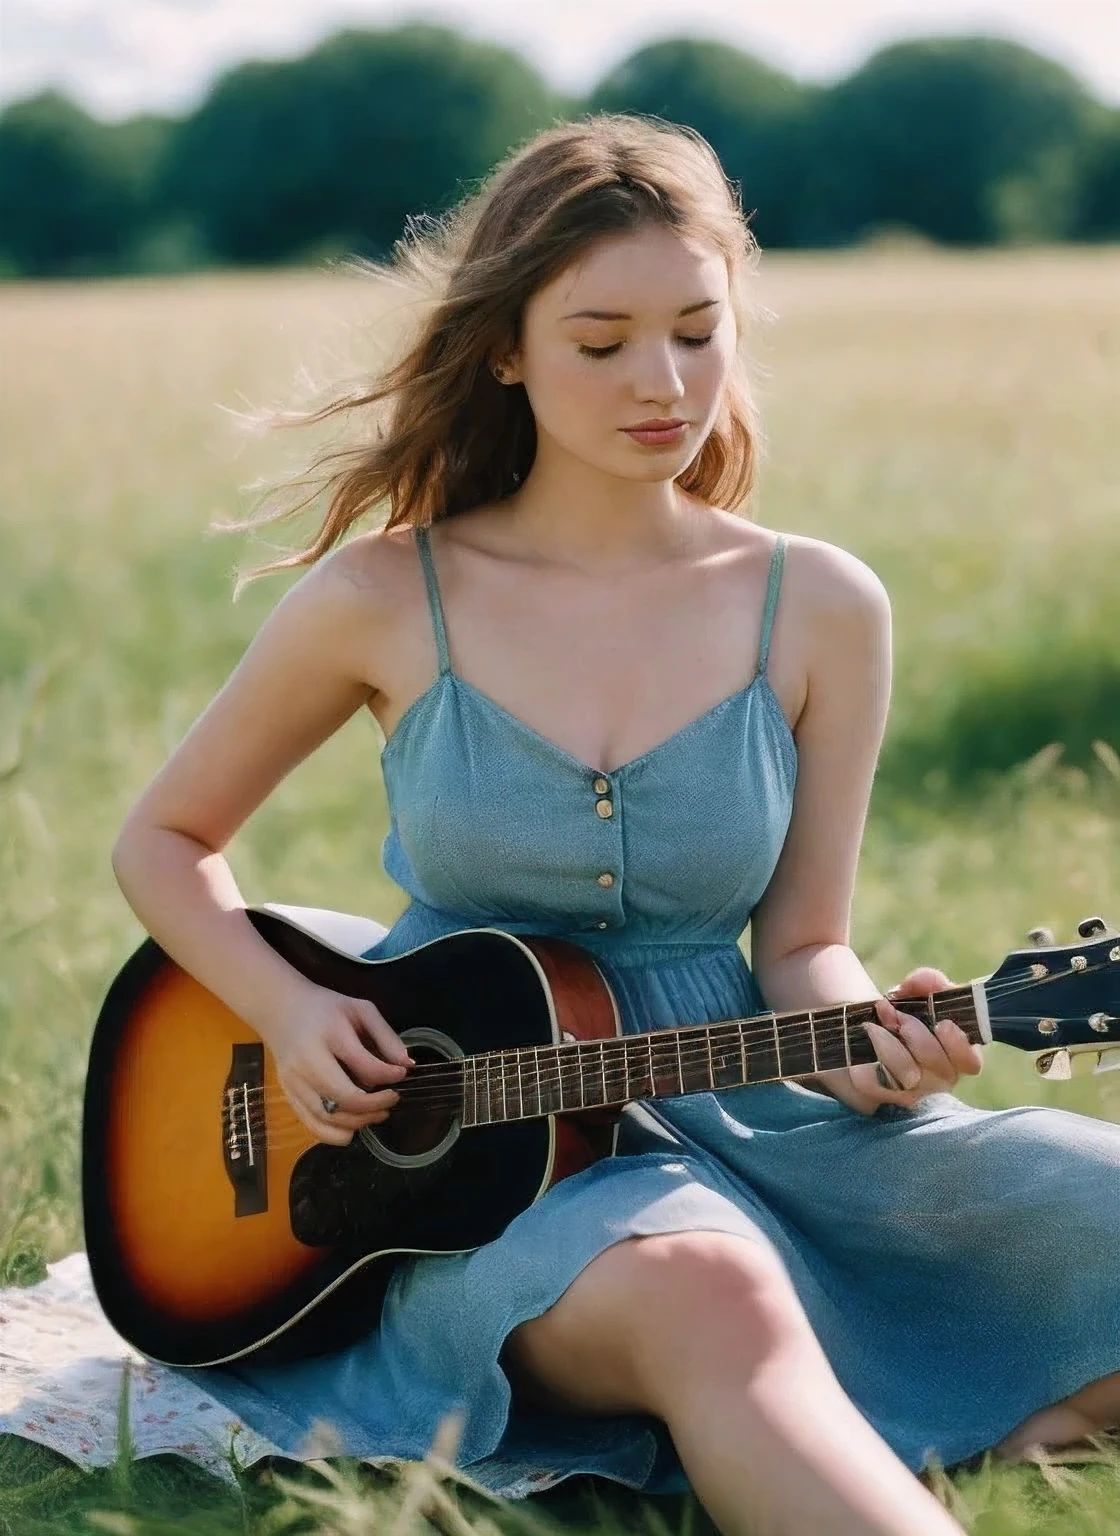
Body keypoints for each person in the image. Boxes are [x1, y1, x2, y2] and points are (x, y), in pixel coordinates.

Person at [109, 116, 1120, 1536]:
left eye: (699, 334)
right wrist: (282, 1010)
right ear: (507, 348)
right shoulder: (385, 599)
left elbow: (808, 948)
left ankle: (944, 1432)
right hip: (468, 1165)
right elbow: (162, 841)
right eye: (603, 342)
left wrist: (881, 1056)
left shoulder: (822, 604)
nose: (664, 384)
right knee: (710, 1291)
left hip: (766, 1108)